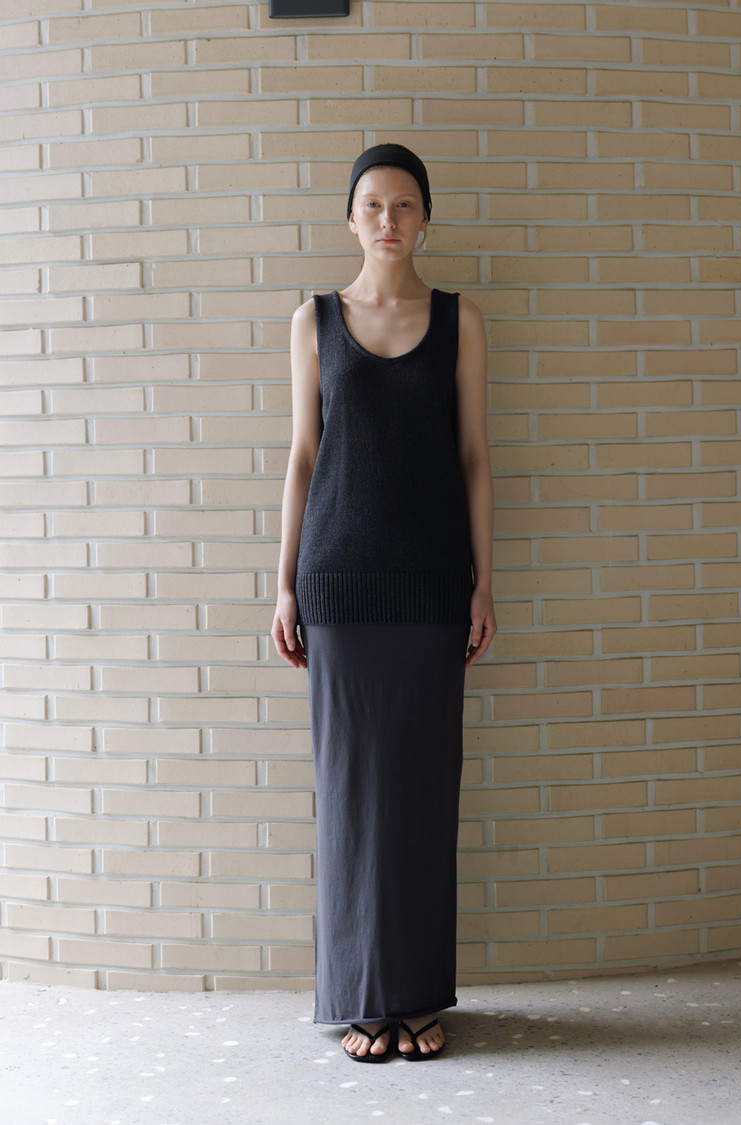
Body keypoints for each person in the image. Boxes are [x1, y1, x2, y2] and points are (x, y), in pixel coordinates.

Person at [271, 143, 496, 1063]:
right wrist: (283, 582)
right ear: (351, 218)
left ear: (425, 219)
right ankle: (362, 998)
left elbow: (475, 457)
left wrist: (484, 582)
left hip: (433, 585)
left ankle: (414, 997)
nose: (388, 220)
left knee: (421, 794)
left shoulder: (458, 320)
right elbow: (302, 457)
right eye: (372, 204)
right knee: (351, 795)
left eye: (405, 205)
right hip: (339, 587)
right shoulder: (314, 320)